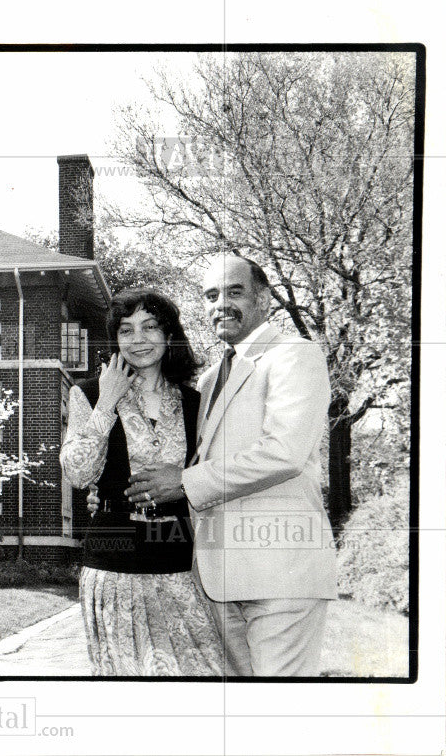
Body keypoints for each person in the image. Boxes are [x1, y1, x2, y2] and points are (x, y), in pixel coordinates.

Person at [127, 254, 337, 677]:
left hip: (282, 573)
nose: (220, 303)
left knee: (278, 716)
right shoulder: (210, 379)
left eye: (234, 291)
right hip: (218, 576)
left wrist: (185, 482)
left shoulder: (293, 354)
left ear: (265, 299)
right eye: (210, 295)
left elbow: (286, 451)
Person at [60, 287, 222, 676]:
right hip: (113, 564)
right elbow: (78, 473)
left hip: (180, 563)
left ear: (169, 336)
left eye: (150, 327)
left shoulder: (195, 402)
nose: (139, 340)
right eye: (126, 330)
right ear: (115, 340)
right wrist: (107, 403)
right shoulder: (89, 393)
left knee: (202, 676)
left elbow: (210, 477)